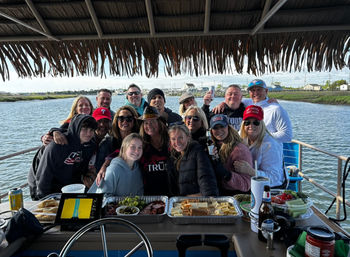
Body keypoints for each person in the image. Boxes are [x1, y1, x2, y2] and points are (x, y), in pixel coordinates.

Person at [28, 114, 97, 199]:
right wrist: (44, 200)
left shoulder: (90, 146)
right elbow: (43, 175)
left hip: (67, 187)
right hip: (42, 183)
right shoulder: (57, 145)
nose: (88, 133)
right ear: (76, 128)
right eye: (84, 129)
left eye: (91, 130)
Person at [239, 105, 287, 188]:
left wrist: (251, 171)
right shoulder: (241, 136)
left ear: (262, 123)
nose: (251, 126)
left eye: (256, 122)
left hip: (272, 187)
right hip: (251, 182)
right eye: (247, 122)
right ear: (243, 125)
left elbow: (275, 178)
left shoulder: (270, 145)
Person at [168, 124, 219, 196]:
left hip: (196, 202)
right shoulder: (173, 158)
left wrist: (209, 197)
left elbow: (205, 177)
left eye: (180, 138)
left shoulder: (197, 152)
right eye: (173, 139)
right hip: (181, 203)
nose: (177, 142)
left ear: (188, 137)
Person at [209, 114, 253, 194]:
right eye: (215, 128)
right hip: (217, 191)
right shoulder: (212, 146)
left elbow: (246, 184)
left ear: (228, 127)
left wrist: (227, 175)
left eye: (222, 126)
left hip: (235, 195)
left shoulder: (239, 150)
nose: (219, 130)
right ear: (211, 130)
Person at [95, 105, 140, 183]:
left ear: (134, 121)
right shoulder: (107, 143)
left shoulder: (140, 141)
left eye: (129, 118)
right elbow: (99, 169)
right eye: (121, 118)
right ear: (116, 121)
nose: (125, 122)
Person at [243, 79, 292, 144]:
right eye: (253, 90)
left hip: (270, 151)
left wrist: (258, 136)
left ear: (266, 91)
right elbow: (233, 101)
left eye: (259, 90)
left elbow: (287, 136)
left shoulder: (276, 108)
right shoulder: (247, 103)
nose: (256, 93)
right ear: (249, 93)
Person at [139, 106, 170, 195]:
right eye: (146, 123)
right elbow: (123, 151)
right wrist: (107, 162)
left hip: (173, 194)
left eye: (152, 121)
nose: (149, 125)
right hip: (150, 196)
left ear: (160, 123)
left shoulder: (171, 142)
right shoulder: (142, 146)